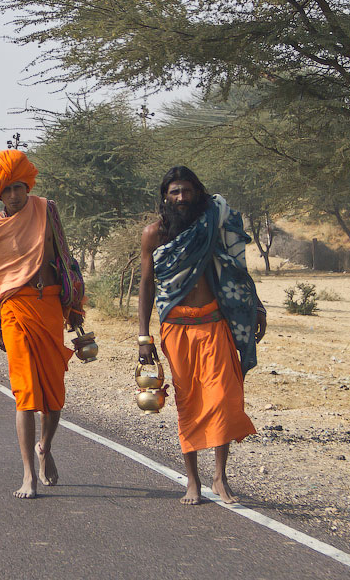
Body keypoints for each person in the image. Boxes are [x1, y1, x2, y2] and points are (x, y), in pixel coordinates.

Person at [138, 166, 266, 505]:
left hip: (213, 323)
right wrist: (143, 337)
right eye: (175, 192)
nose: (181, 198)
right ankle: (192, 481)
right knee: (188, 403)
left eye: (187, 191)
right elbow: (147, 284)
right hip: (176, 328)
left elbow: (236, 269)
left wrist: (256, 305)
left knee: (223, 398)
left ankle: (219, 477)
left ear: (197, 192)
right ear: (165, 196)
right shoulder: (154, 234)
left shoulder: (211, 225)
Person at [0, 149, 85, 499]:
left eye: (19, 187)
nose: (14, 195)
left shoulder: (46, 210)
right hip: (14, 310)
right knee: (25, 393)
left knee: (54, 395)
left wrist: (74, 306)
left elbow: (64, 257)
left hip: (50, 304)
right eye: (7, 189)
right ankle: (27, 474)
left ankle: (45, 447)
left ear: (28, 186)